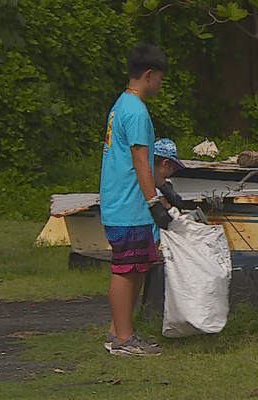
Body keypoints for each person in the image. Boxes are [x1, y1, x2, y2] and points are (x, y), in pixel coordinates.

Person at [99, 44, 170, 356]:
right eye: (161, 79)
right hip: (129, 204)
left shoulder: (121, 105)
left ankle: (119, 331)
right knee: (125, 268)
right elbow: (142, 162)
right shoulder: (136, 111)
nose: (161, 85)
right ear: (149, 75)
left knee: (139, 264)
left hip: (127, 202)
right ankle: (124, 340)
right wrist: (154, 202)